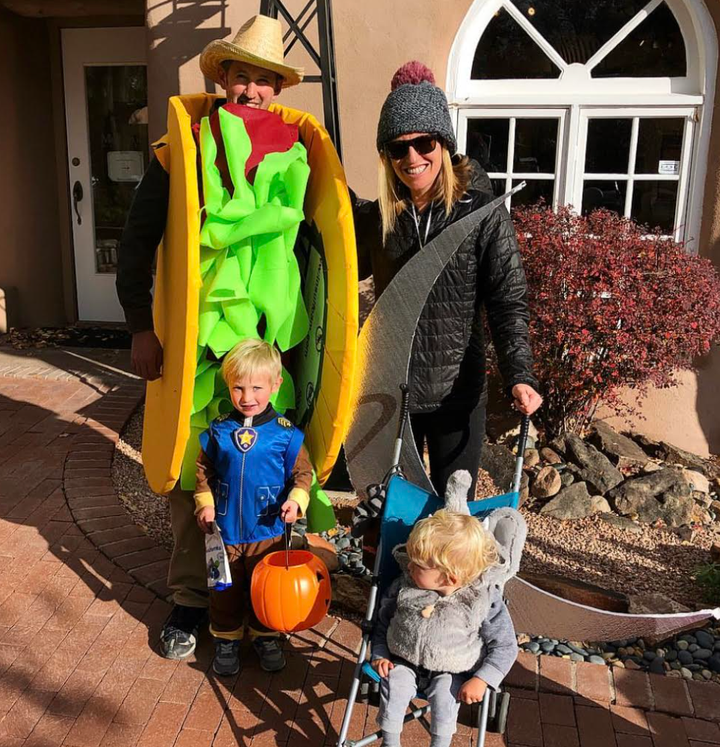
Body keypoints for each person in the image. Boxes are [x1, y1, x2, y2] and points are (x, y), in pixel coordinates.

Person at [115, 15, 304, 659]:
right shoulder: (181, 150)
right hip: (197, 342)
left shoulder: (299, 150)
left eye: (265, 80)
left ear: (277, 88)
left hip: (266, 348)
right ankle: (193, 601)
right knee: (195, 473)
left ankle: (257, 593)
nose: (252, 89)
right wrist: (140, 326)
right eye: (242, 75)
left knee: (263, 472)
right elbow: (136, 244)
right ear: (222, 76)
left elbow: (326, 238)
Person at [354, 62, 542, 497]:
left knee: (451, 524)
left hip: (456, 392)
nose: (412, 159)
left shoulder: (481, 212)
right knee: (390, 520)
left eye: (423, 143)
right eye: (398, 149)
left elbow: (507, 299)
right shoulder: (380, 218)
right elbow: (340, 264)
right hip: (392, 395)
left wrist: (520, 374)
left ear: (444, 143)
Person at [371, 483, 523, 747]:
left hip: (453, 672)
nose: (409, 564)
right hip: (402, 660)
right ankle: (390, 741)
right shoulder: (405, 585)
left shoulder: (481, 599)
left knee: (444, 694)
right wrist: (380, 654)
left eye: (418, 563)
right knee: (394, 683)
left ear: (449, 576)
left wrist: (483, 679)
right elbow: (383, 621)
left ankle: (440, 744)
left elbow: (506, 645)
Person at [194, 338, 312, 674]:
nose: (247, 398)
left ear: (275, 385)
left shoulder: (286, 435)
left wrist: (295, 501)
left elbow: (303, 473)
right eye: (238, 388)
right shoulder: (218, 431)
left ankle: (265, 635)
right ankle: (227, 640)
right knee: (224, 589)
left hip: (269, 531)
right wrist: (205, 504)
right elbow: (204, 470)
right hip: (225, 531)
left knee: (266, 589)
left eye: (257, 388)